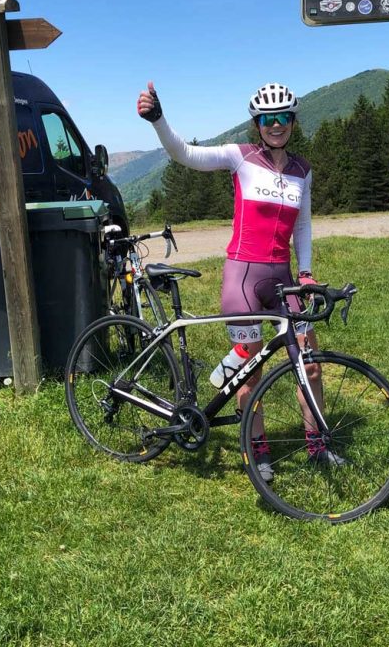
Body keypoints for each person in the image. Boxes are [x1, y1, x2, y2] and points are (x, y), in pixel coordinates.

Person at [136, 81, 344, 482]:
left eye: (284, 117)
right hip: (243, 276)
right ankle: (259, 450)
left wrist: (305, 270)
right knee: (249, 369)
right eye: (268, 118)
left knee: (311, 364)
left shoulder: (303, 170)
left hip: (283, 279)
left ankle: (317, 444)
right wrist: (158, 120)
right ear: (257, 123)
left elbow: (302, 224)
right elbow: (185, 154)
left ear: (293, 121)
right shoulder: (241, 157)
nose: (276, 125)